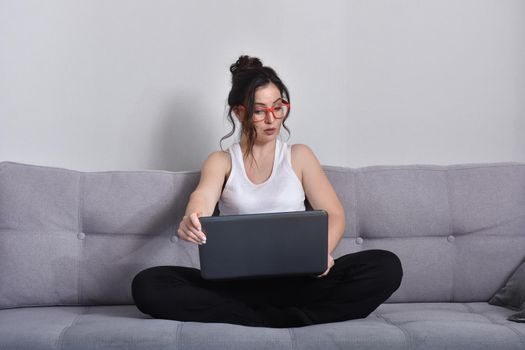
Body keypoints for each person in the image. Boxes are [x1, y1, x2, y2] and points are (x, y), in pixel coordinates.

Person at [131, 55, 403, 328]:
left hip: (301, 282)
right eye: (260, 111)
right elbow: (201, 197)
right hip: (238, 287)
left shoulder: (299, 156)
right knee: (148, 284)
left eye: (278, 107)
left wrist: (323, 255)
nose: (272, 119)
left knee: (386, 266)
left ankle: (251, 319)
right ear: (239, 113)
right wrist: (192, 217)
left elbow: (335, 214)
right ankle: (291, 319)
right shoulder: (221, 161)